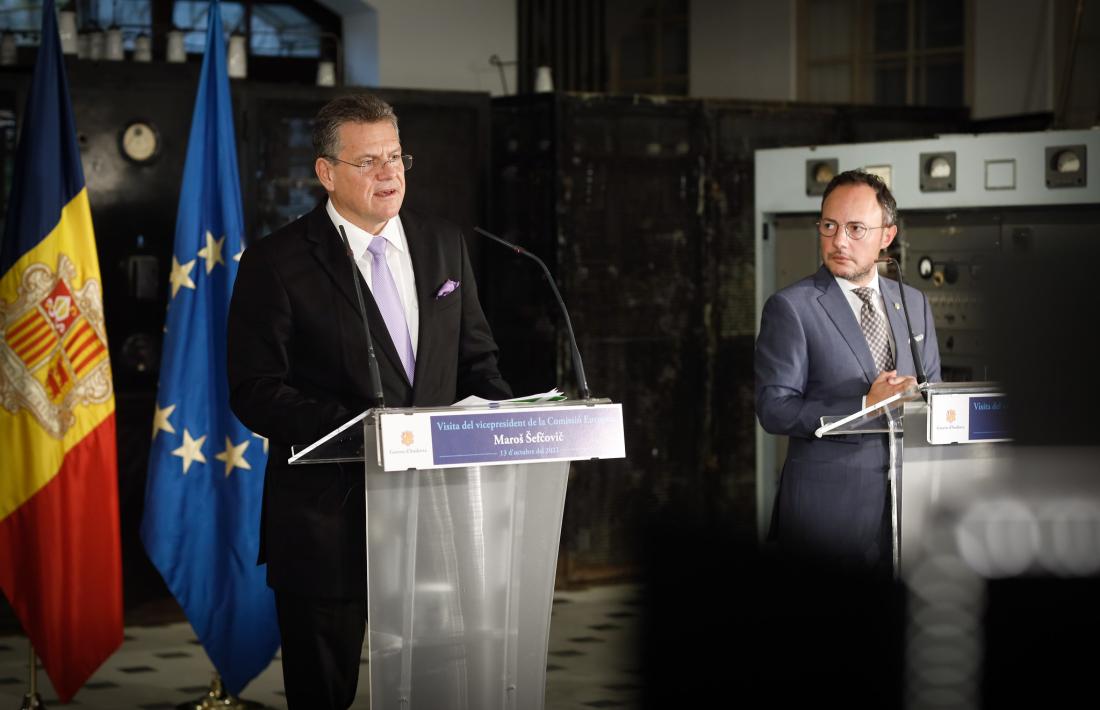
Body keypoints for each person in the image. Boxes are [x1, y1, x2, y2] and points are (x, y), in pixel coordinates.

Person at [227, 93, 512, 709]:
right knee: (323, 693)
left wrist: (503, 423)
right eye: (368, 161)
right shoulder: (277, 262)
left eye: (396, 157)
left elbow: (477, 363)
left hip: (436, 515)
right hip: (326, 522)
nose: (389, 174)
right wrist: (367, 432)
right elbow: (255, 390)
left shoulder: (443, 243)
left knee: (437, 688)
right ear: (326, 173)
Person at [754, 170, 941, 571]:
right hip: (827, 515)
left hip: (906, 512)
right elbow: (774, 409)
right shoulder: (791, 308)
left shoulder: (913, 302)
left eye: (856, 228)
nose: (839, 240)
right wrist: (864, 406)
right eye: (829, 226)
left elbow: (934, 393)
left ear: (887, 236)